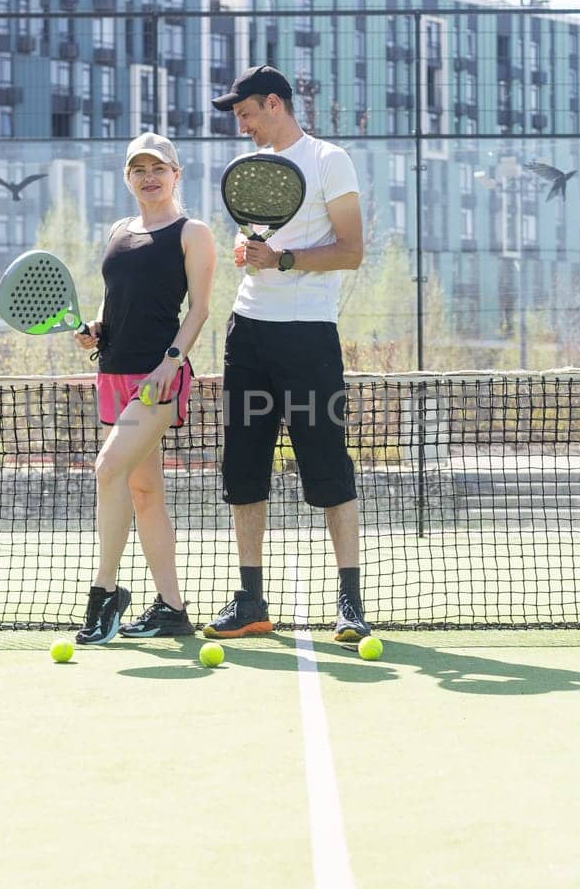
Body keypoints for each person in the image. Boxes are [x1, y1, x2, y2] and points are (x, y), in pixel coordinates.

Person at [206, 65, 371, 643]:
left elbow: (351, 251)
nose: (243, 125)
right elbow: (263, 242)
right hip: (247, 335)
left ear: (273, 103)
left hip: (308, 339)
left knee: (328, 468)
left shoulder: (330, 161)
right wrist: (249, 251)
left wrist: (284, 261)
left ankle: (350, 603)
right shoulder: (252, 173)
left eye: (247, 113)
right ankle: (250, 601)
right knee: (243, 470)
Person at [71, 132, 215, 644]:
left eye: (159, 168)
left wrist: (170, 363)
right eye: (138, 170)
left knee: (107, 468)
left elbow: (198, 309)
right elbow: (115, 303)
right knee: (144, 490)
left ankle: (104, 594)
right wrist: (94, 327)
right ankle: (172, 608)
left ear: (176, 174)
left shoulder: (191, 232)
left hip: (160, 377)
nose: (149, 177)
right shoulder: (118, 229)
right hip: (112, 371)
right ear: (128, 178)